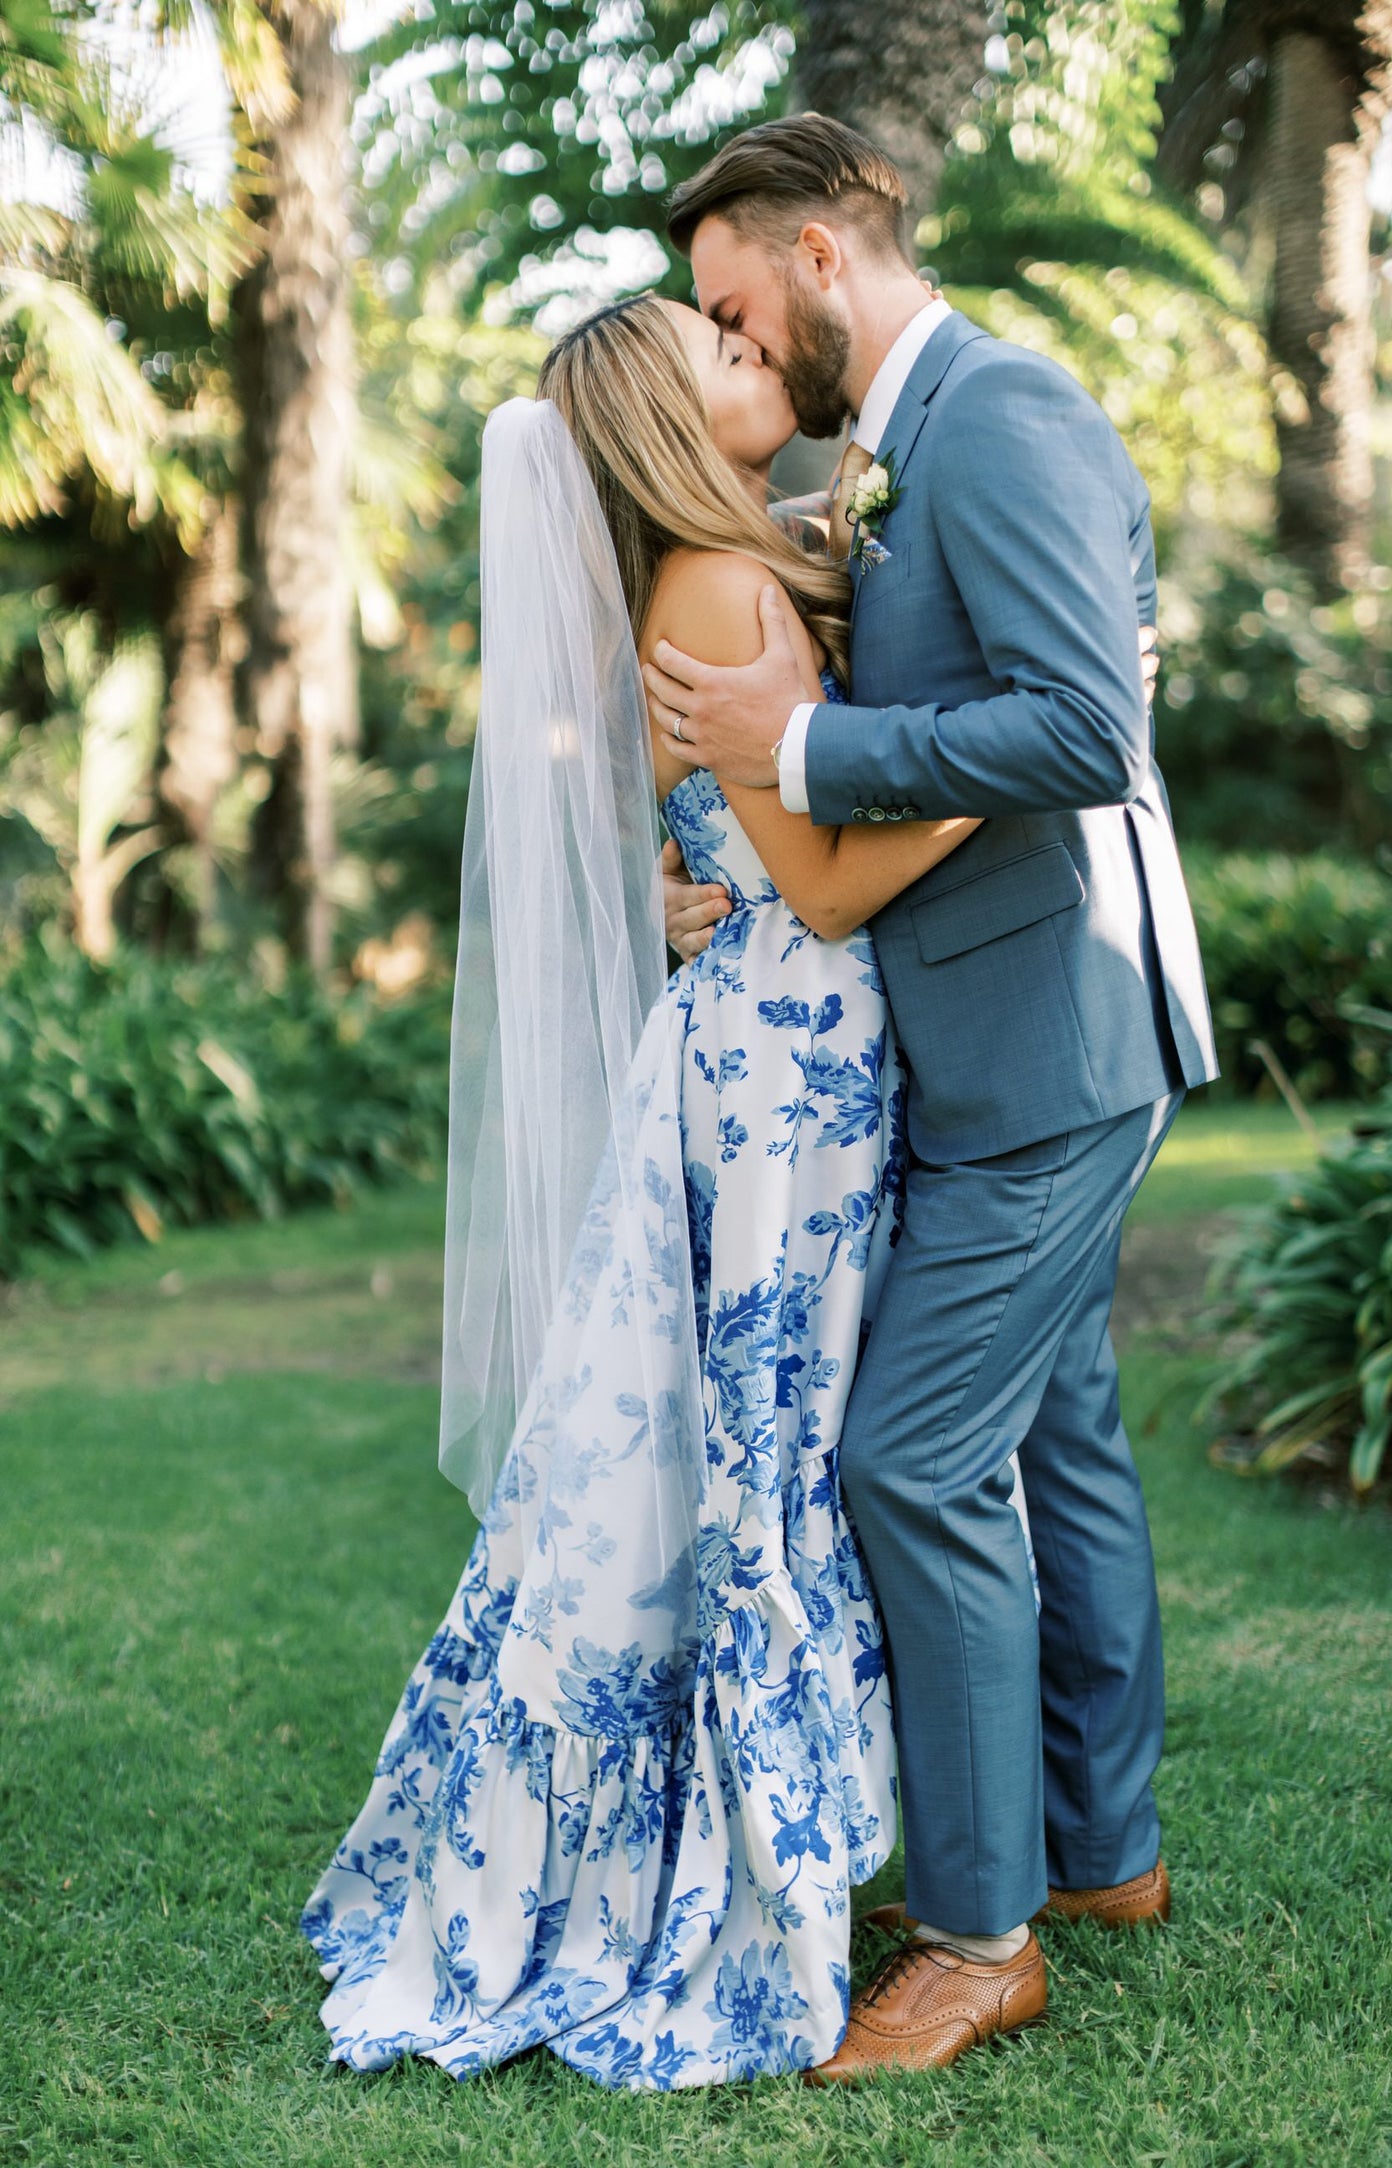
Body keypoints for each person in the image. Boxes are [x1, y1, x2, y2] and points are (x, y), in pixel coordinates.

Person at [298, 290, 1025, 2089]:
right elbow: (834, 886)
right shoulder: (715, 591)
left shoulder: (720, 565)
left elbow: (696, 832)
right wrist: (1019, 764)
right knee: (765, 1451)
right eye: (713, 351)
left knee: (726, 1446)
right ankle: (746, 1875)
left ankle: (760, 1835)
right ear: (654, 414)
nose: (747, 354)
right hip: (788, 1067)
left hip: (757, 1045)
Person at [649, 113, 1218, 2083]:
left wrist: (803, 740)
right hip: (990, 1038)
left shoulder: (997, 412)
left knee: (912, 1453)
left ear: (820, 251)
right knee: (1057, 1429)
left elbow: (1085, 721)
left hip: (1055, 1039)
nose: (729, 339)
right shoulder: (901, 455)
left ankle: (980, 1937)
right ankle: (1101, 1849)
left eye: (731, 301)